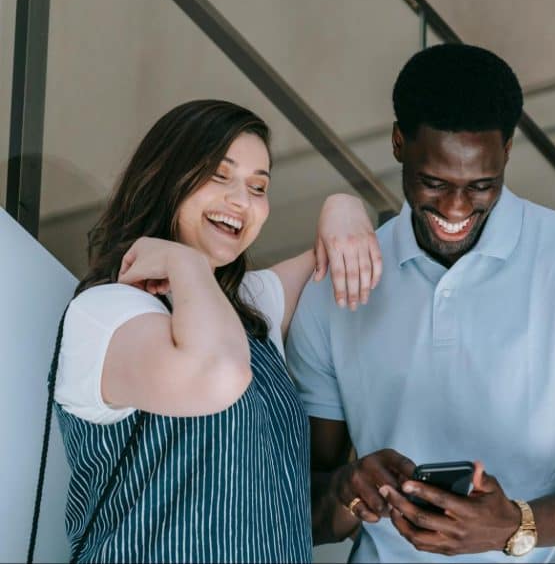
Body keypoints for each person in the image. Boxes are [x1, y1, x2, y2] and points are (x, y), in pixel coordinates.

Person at [287, 44, 555, 562]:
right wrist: (350, 489)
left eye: (481, 185)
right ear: (399, 143)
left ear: (507, 150)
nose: (456, 208)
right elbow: (293, 505)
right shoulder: (335, 288)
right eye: (434, 182)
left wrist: (514, 526)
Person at [53, 99, 381, 562]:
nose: (242, 201)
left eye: (259, 186)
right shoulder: (107, 313)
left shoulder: (249, 305)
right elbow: (219, 374)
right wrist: (185, 261)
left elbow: (343, 252)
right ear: (165, 176)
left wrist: (345, 205)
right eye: (219, 176)